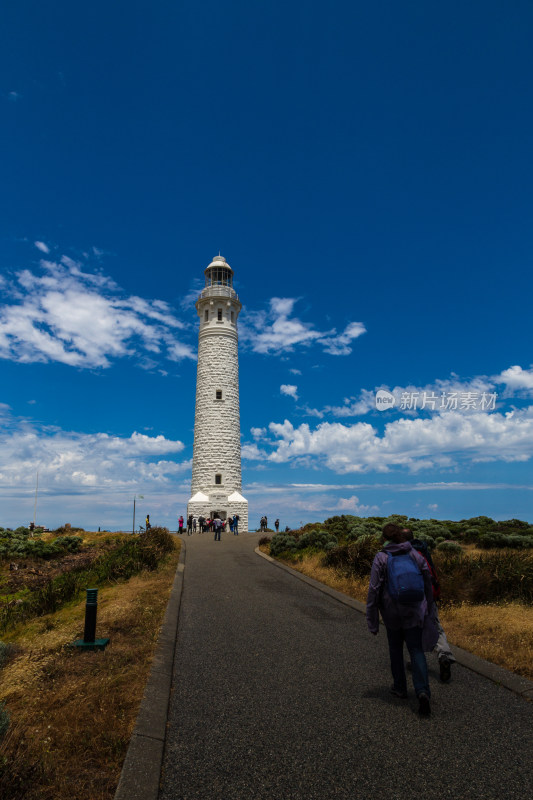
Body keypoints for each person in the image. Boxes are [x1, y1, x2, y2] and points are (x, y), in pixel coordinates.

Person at [366, 522, 437, 716]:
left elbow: (374, 590)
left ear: (385, 538)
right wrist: (428, 608)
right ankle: (422, 692)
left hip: (392, 613)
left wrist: (372, 619)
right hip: (414, 611)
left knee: (395, 649)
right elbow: (427, 582)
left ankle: (400, 688)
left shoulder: (381, 557)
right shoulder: (414, 554)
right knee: (416, 650)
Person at [403, 528, 455, 682]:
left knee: (413, 631)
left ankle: (416, 661)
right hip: (429, 596)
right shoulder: (423, 550)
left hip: (413, 598)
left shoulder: (405, 554)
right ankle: (444, 654)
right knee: (435, 627)